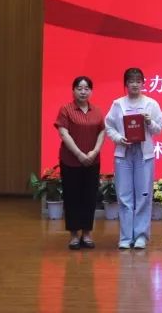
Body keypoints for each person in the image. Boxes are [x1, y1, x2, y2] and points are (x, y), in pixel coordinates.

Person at [104, 67, 162, 249]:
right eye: (131, 81)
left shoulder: (151, 104)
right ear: (126, 84)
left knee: (144, 195)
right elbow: (109, 126)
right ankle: (125, 237)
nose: (135, 85)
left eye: (138, 81)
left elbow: (159, 129)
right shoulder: (118, 104)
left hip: (144, 155)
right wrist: (118, 138)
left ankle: (141, 236)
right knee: (124, 196)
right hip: (124, 153)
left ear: (143, 83)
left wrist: (149, 122)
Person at [55, 76, 106, 250]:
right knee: (72, 197)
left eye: (86, 88)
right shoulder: (66, 109)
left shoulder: (97, 111)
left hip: (92, 161)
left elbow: (102, 132)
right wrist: (79, 154)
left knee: (89, 197)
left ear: (91, 91)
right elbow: (63, 133)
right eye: (79, 88)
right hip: (70, 161)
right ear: (73, 90)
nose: (83, 92)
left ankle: (87, 233)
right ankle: (74, 235)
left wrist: (94, 152)